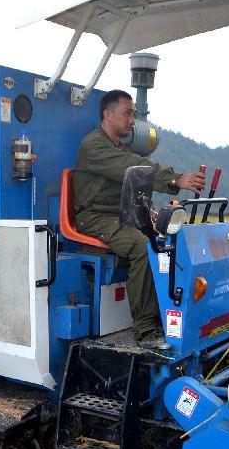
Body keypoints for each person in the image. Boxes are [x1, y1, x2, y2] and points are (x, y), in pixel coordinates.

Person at [74, 90, 206, 345]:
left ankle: (172, 314)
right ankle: (147, 331)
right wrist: (175, 178)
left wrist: (148, 212)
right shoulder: (93, 146)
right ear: (108, 114)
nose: (132, 119)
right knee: (144, 247)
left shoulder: (116, 147)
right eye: (127, 113)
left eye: (134, 114)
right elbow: (131, 168)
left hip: (121, 215)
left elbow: (134, 185)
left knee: (172, 241)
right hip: (95, 217)